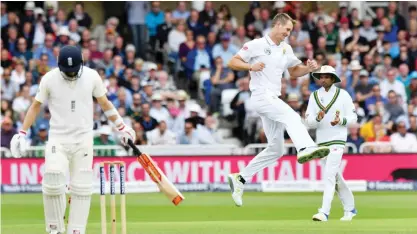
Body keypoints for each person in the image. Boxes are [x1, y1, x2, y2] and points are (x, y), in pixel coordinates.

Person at [10, 45, 136, 234]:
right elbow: (35, 106)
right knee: (52, 180)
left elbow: (104, 103)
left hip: (83, 139)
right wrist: (22, 132)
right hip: (58, 138)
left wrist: (121, 126)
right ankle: (55, 229)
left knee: (82, 186)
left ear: (82, 64)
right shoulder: (49, 79)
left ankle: (76, 230)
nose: (71, 75)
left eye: (74, 71)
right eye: (67, 71)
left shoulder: (92, 76)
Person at [226, 13, 330, 207]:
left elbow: (293, 72)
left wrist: (308, 69)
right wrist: (251, 66)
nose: (288, 34)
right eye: (287, 30)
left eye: (290, 31)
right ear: (277, 25)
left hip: (273, 98)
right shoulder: (257, 44)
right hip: (260, 95)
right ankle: (306, 147)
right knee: (291, 116)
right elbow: (232, 61)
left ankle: (240, 178)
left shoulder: (285, 48)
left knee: (276, 149)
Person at [304, 65, 358, 221]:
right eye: (321, 77)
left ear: (333, 79)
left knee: (329, 176)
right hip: (321, 142)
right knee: (334, 177)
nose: (323, 79)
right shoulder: (314, 96)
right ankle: (350, 209)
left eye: (326, 76)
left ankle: (324, 212)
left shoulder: (343, 95)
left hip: (337, 139)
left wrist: (340, 120)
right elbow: (309, 122)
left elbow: (353, 119)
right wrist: (318, 119)